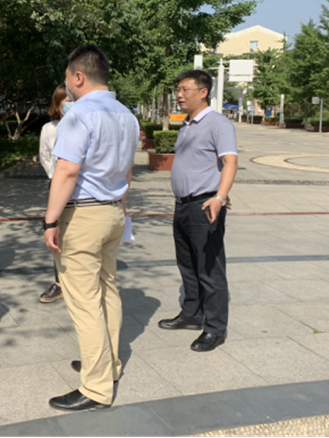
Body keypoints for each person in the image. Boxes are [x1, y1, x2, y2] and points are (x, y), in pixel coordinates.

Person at [43, 45, 139, 412]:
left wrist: (50, 221)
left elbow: (66, 171)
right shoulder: (127, 116)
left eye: (67, 78)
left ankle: (96, 387)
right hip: (113, 211)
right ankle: (107, 365)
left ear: (78, 77)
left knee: (84, 302)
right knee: (107, 291)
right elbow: (128, 171)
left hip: (83, 216)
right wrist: (120, 206)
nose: (66, 85)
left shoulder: (79, 115)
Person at [158, 69, 238, 353]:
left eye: (185, 90)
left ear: (203, 92)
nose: (179, 95)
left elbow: (230, 162)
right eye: (177, 90)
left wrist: (219, 196)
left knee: (209, 269)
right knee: (188, 265)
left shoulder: (218, 124)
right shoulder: (186, 125)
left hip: (204, 206)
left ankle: (215, 328)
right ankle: (192, 314)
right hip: (182, 206)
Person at [38, 84, 71, 304]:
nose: (70, 105)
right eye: (65, 102)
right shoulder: (50, 128)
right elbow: (45, 156)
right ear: (57, 105)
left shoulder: (87, 124)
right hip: (59, 185)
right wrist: (55, 177)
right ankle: (59, 283)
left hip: (83, 188)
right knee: (56, 232)